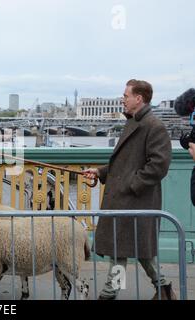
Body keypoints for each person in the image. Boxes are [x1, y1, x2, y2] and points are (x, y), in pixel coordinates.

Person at [83, 79, 177, 300]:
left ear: (139, 98)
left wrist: (129, 185)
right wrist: (100, 172)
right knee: (131, 250)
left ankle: (110, 294)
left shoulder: (154, 126)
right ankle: (162, 289)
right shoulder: (135, 123)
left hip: (135, 201)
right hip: (129, 201)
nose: (122, 99)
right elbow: (125, 164)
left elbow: (158, 166)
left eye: (125, 96)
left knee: (122, 250)